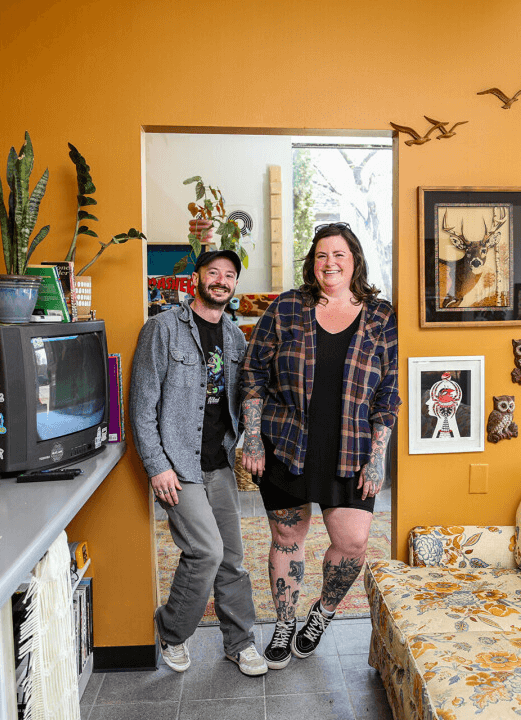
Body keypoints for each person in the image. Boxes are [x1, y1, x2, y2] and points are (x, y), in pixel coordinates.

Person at [240, 222, 400, 670]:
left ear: (355, 262)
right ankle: (285, 623)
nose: (330, 263)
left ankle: (322, 613)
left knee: (352, 543)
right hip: (287, 442)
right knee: (287, 538)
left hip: (351, 449)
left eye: (339, 255)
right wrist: (252, 437)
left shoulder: (381, 316)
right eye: (322, 255)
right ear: (313, 262)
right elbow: (253, 371)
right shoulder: (288, 307)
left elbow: (389, 393)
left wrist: (378, 457)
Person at [129, 249, 267, 677]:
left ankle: (240, 642)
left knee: (232, 558)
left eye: (229, 275)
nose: (221, 281)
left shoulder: (235, 337)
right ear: (196, 278)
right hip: (177, 466)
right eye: (214, 273)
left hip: (219, 462)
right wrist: (157, 466)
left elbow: (243, 397)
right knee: (205, 551)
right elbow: (141, 405)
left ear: (234, 286)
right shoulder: (162, 329)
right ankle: (172, 630)